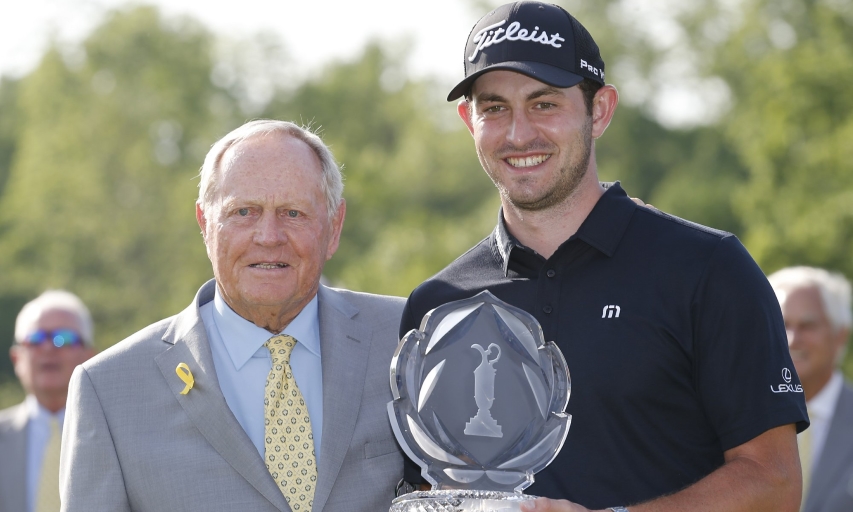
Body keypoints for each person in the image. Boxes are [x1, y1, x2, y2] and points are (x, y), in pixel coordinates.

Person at [399, 2, 807, 511]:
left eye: (544, 103)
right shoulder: (436, 304)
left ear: (600, 110)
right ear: (468, 120)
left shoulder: (708, 269)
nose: (519, 133)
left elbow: (773, 483)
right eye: (494, 107)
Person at [59, 120, 404, 512]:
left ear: (335, 226)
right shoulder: (109, 391)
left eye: (293, 213)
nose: (269, 236)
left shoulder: (408, 339)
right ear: (205, 225)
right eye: (244, 212)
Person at [0, 290, 95, 512]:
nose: (49, 348)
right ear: (17, 358)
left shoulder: (117, 436)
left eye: (65, 338)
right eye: (35, 338)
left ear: (90, 356)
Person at [768, 266, 853, 512]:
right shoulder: (731, 419)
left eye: (807, 325)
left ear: (839, 336)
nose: (793, 339)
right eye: (781, 324)